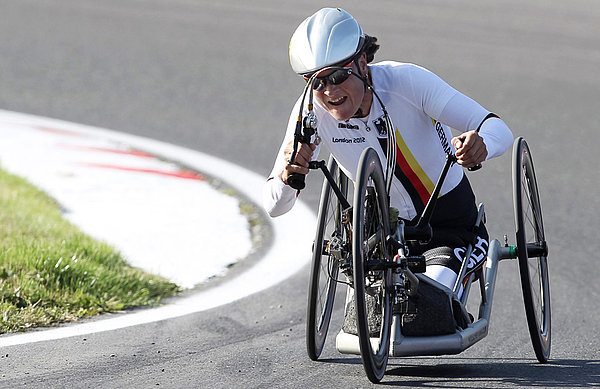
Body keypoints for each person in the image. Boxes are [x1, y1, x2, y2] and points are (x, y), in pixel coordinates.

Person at [263, 8, 513, 296]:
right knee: (370, 320)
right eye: (315, 81)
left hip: (447, 227)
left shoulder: (408, 83)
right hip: (381, 234)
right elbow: (275, 206)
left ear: (361, 62)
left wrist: (481, 146)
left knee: (430, 304)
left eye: (337, 76)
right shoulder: (310, 111)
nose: (329, 91)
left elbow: (497, 129)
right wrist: (287, 176)